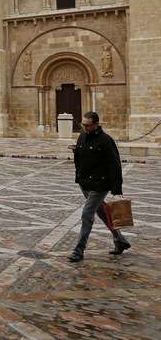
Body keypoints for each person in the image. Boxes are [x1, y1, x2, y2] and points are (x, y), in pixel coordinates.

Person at [68, 111, 131, 262]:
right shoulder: (82, 136)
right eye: (83, 125)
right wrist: (76, 152)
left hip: (100, 184)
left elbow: (114, 165)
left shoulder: (106, 140)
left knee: (87, 214)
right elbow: (80, 158)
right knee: (102, 212)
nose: (85, 128)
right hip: (85, 183)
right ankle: (120, 240)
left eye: (88, 125)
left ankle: (79, 250)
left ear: (96, 124)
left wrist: (116, 189)